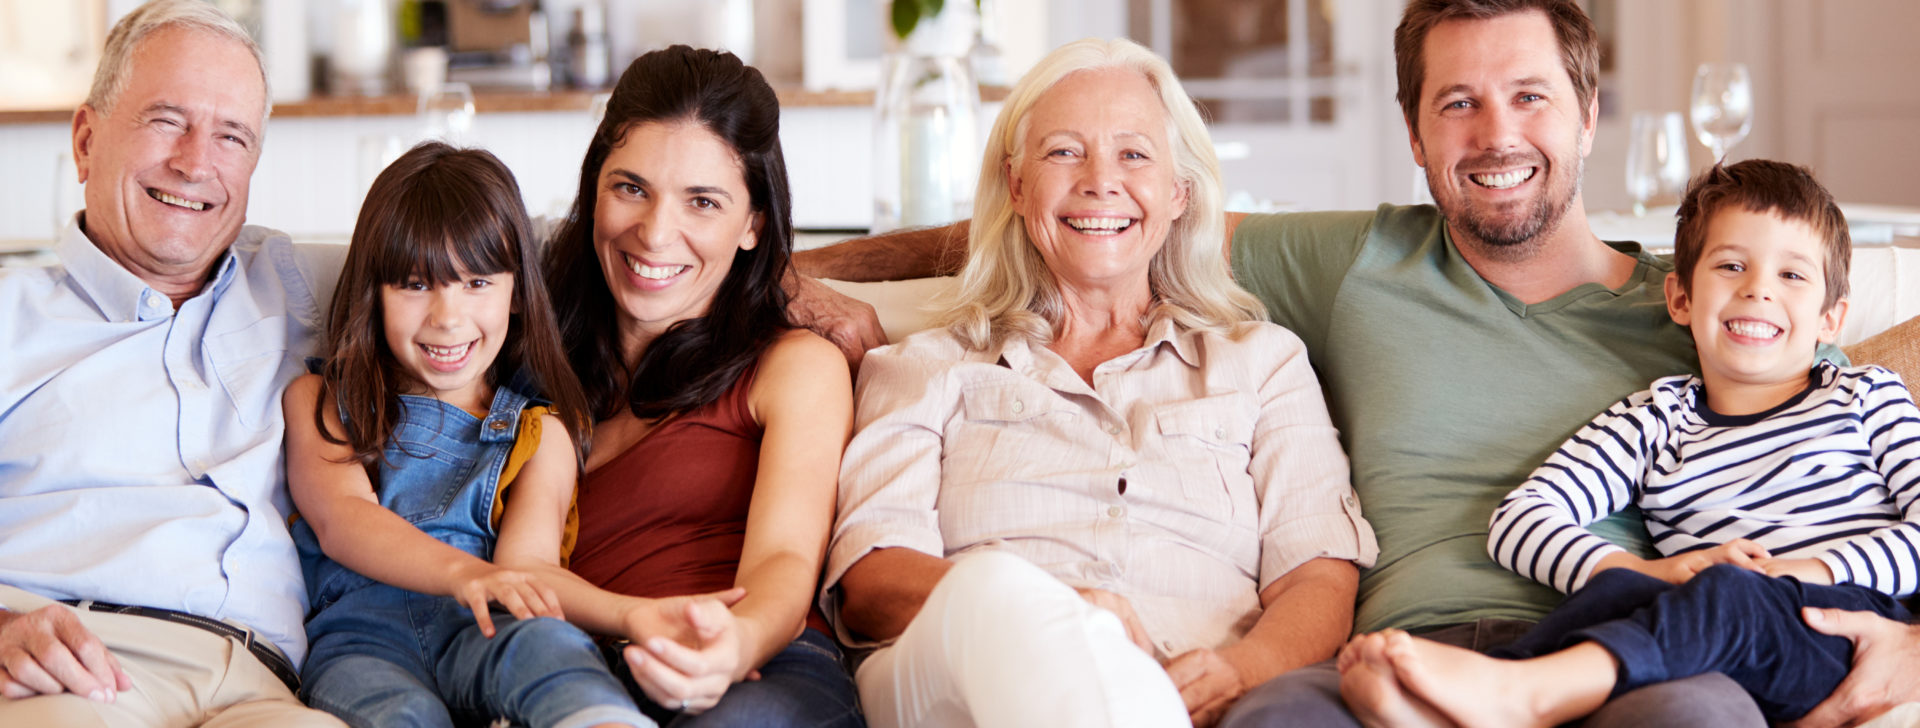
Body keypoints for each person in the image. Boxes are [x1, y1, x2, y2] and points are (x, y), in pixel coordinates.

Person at [785, 0, 1912, 724]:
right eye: (1456, 103)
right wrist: (789, 278)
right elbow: (1100, 224)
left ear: (1587, 113)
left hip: (1619, 647)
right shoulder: (1355, 258)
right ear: (1415, 134)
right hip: (1396, 646)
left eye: (1529, 96)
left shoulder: (1706, 305)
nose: (1495, 133)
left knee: (1695, 718)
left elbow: (1850, 419)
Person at [822, 38, 1378, 728]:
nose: (1099, 181)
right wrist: (1054, 610)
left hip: (1187, 690)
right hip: (958, 679)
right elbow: (873, 582)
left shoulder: (1264, 363)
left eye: (1134, 154)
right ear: (1018, 186)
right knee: (995, 589)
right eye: (1063, 152)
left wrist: (1245, 669)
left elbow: (1317, 575)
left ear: (1179, 194)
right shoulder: (925, 364)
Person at [1340, 159, 1920, 726]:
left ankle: (1526, 696)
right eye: (1731, 266)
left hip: (1839, 630)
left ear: (1831, 319)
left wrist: (1808, 571)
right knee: (1615, 589)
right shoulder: (1657, 418)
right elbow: (1520, 519)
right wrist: (1649, 573)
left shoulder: (1866, 395)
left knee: (1733, 595)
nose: (1758, 291)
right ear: (1680, 299)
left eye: (1792, 275)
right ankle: (1472, 697)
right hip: (1699, 653)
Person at [0, 1, 344, 724]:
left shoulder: (305, 285)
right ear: (87, 140)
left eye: (231, 136)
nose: (195, 163)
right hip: (74, 669)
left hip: (264, 687)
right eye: (166, 120)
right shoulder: (11, 317)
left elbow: (501, 260)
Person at [542, 46, 864, 725]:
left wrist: (732, 644)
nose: (656, 233)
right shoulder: (524, 348)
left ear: (753, 224)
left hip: (758, 670)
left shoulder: (793, 365)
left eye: (703, 202)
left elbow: (782, 557)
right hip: (571, 678)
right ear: (593, 187)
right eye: (631, 188)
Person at [284, 142, 650, 728]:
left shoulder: (539, 431)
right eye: (413, 284)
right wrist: (464, 573)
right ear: (372, 293)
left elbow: (529, 567)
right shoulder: (323, 403)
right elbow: (343, 519)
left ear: (516, 292)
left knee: (550, 651)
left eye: (477, 283)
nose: (447, 316)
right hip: (361, 642)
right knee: (400, 713)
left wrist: (635, 618)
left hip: (485, 629)